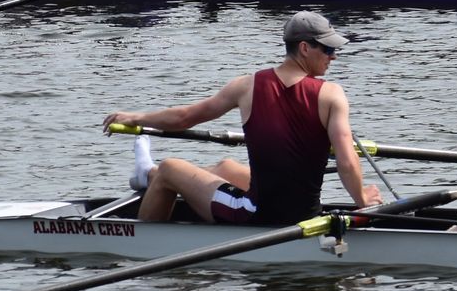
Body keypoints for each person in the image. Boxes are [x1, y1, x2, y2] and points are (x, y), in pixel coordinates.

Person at [102, 13, 375, 224]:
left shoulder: (247, 86)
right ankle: (150, 187)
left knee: (170, 168)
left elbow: (186, 117)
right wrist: (362, 200)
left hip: (256, 215)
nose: (334, 56)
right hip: (305, 213)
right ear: (305, 48)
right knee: (227, 166)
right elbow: (347, 160)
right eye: (327, 49)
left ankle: (149, 197)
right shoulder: (333, 95)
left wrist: (139, 117)